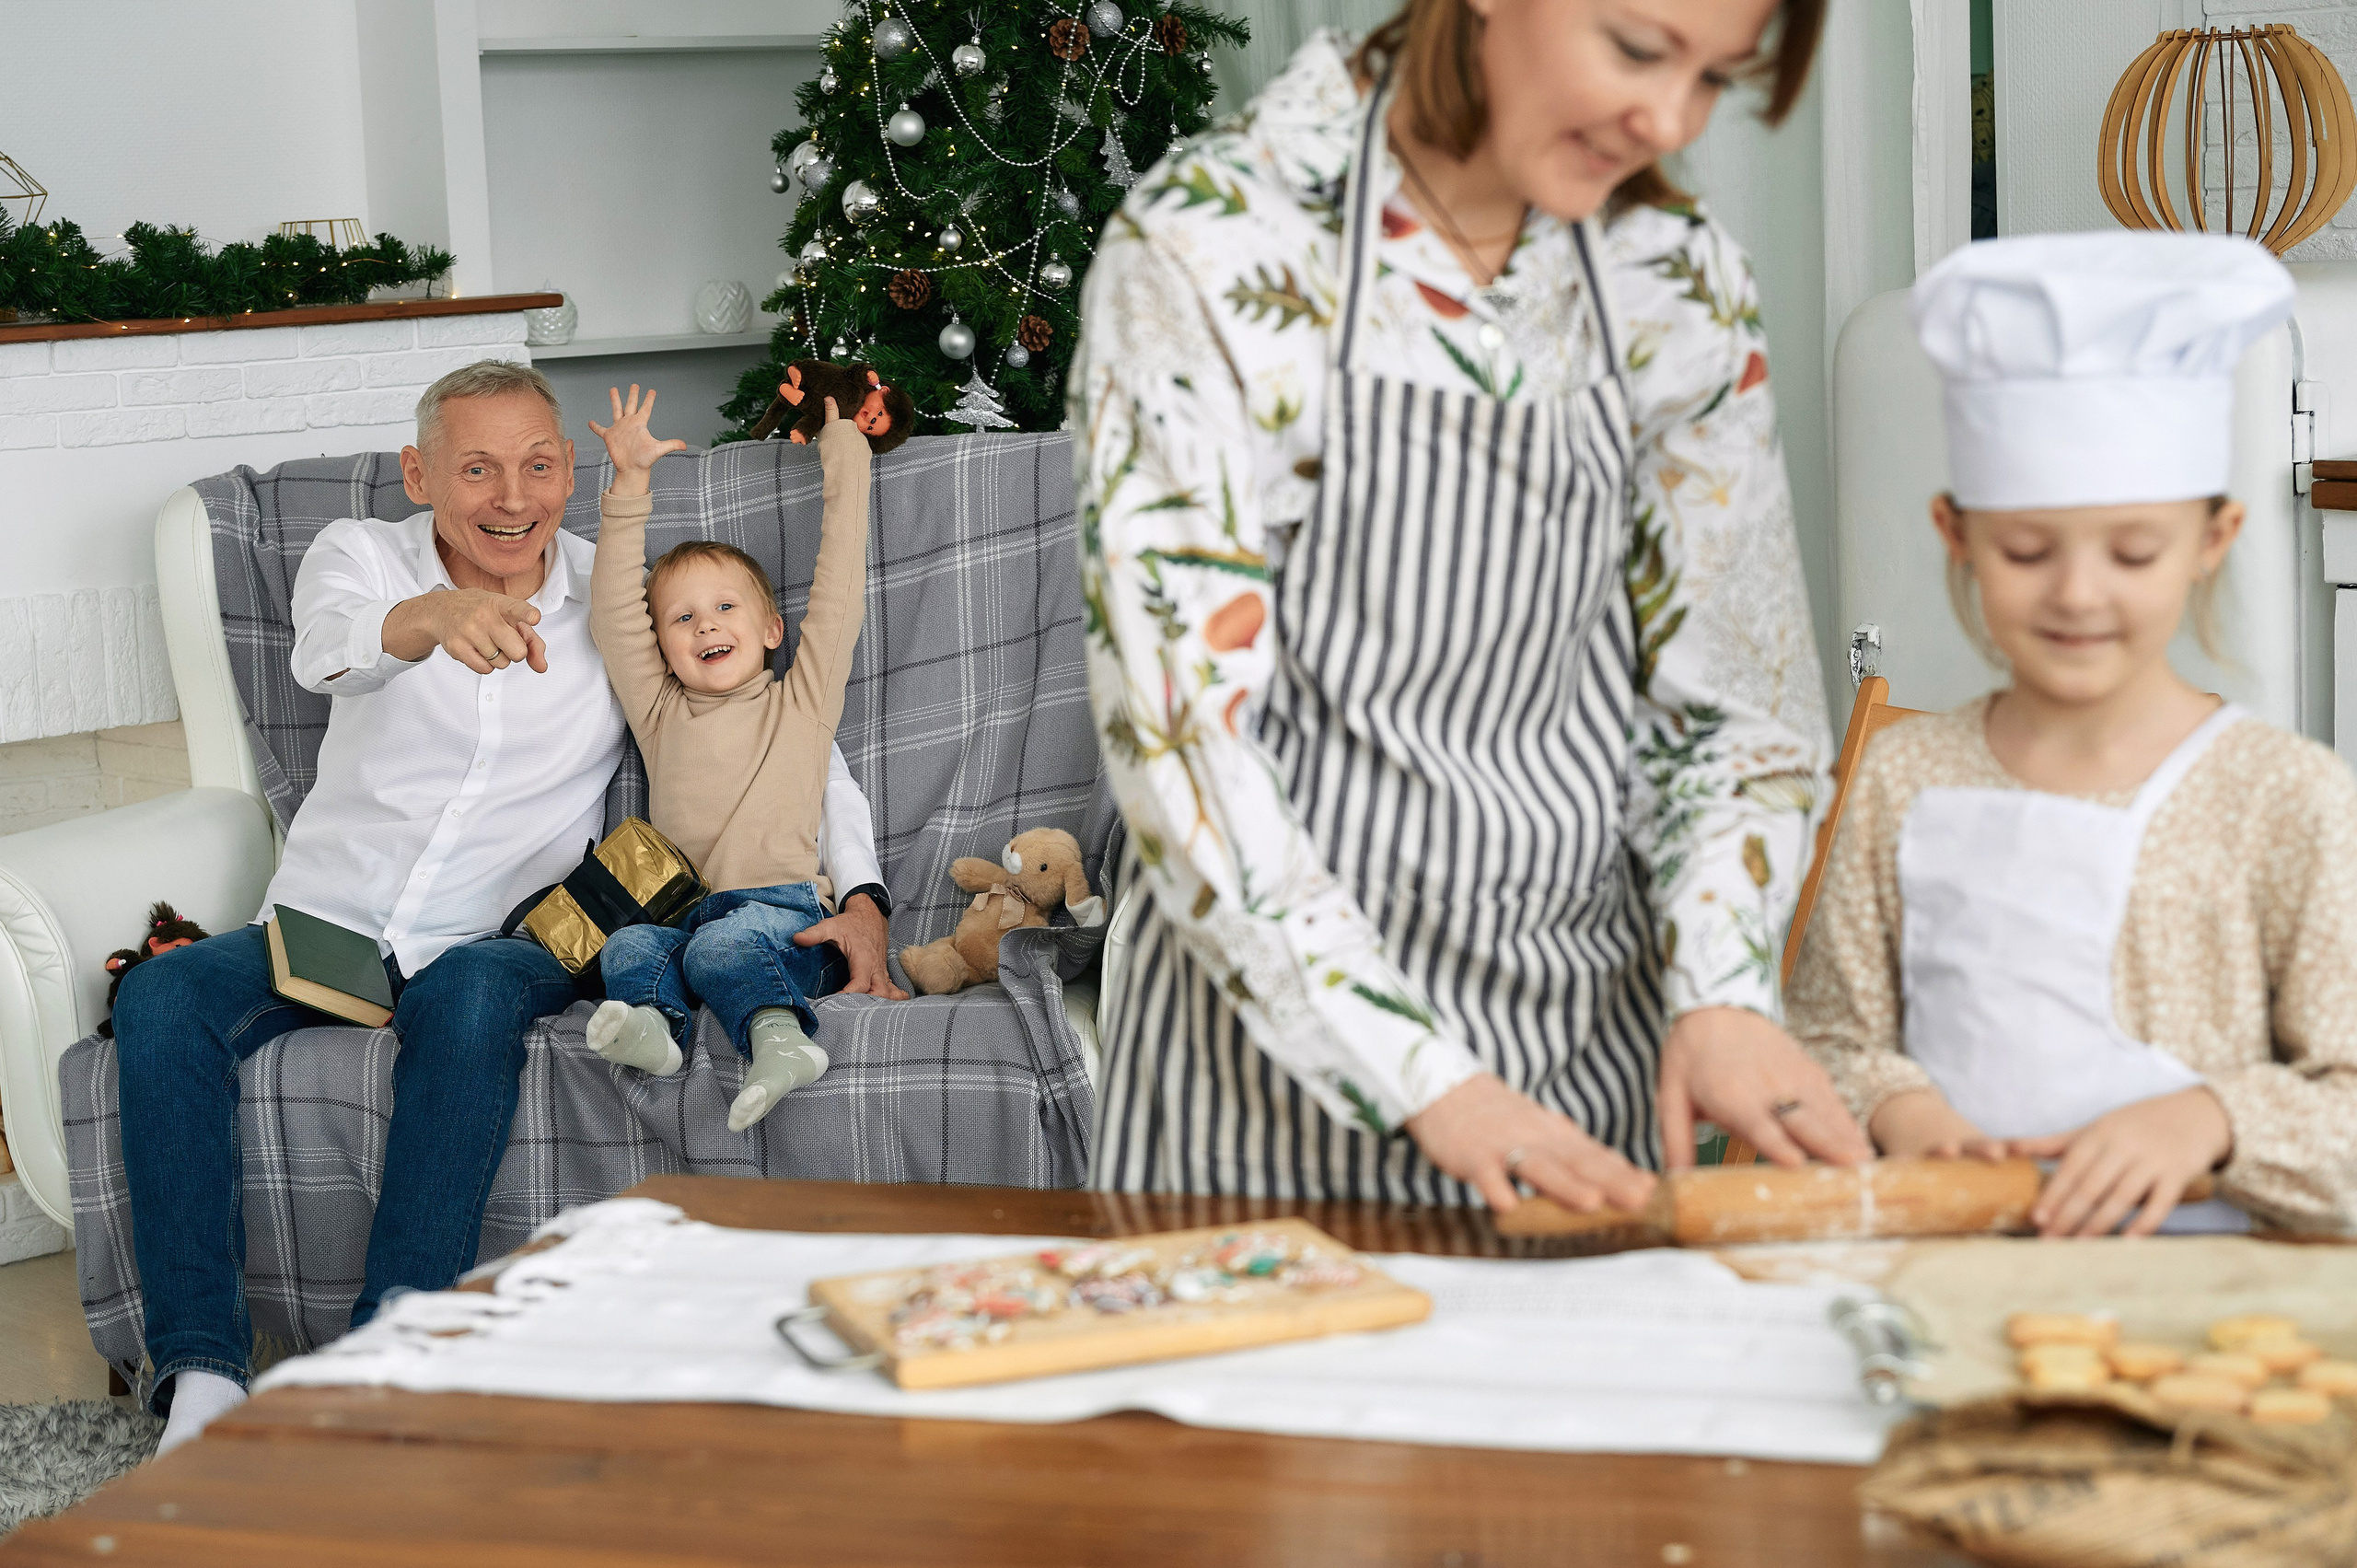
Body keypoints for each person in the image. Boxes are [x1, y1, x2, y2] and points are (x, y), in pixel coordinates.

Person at [1073, 0, 1872, 1214]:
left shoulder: (1676, 277)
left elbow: (1732, 701)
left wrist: (1721, 988)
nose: (1669, 119)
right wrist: (1429, 1079)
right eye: (1640, 48)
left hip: (1579, 1084)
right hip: (1255, 1104)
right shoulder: (1211, 250)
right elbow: (1184, 742)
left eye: (1715, 77)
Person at [112, 360, 900, 1455]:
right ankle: (203, 1374)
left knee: (474, 991)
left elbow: (793, 743)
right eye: (476, 468)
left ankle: (392, 1351)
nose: (511, 497)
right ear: (418, 472)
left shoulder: (619, 597)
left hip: (512, 933)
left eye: (537, 465)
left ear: (568, 472)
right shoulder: (361, 555)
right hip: (330, 920)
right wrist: (429, 618)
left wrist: (861, 895)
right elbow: (325, 652)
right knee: (161, 995)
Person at [1787, 231, 2357, 1238]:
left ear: (2210, 542)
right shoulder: (1901, 776)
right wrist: (1910, 1118)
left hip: (2216, 1300)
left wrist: (2211, 1118)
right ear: (1954, 534)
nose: (2078, 593)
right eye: (2024, 549)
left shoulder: (2286, 795)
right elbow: (1831, 1035)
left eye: (2134, 551)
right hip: (1960, 1273)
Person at [582, 385, 873, 1132]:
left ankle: (783, 1042)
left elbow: (840, 587)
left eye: (724, 608)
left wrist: (846, 458)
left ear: (774, 629)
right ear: (664, 648)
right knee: (631, 945)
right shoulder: (660, 711)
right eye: (682, 617)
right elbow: (615, 616)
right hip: (685, 917)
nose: (704, 624)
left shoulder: (801, 704)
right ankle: (654, 1031)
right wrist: (630, 486)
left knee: (727, 942)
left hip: (784, 913)